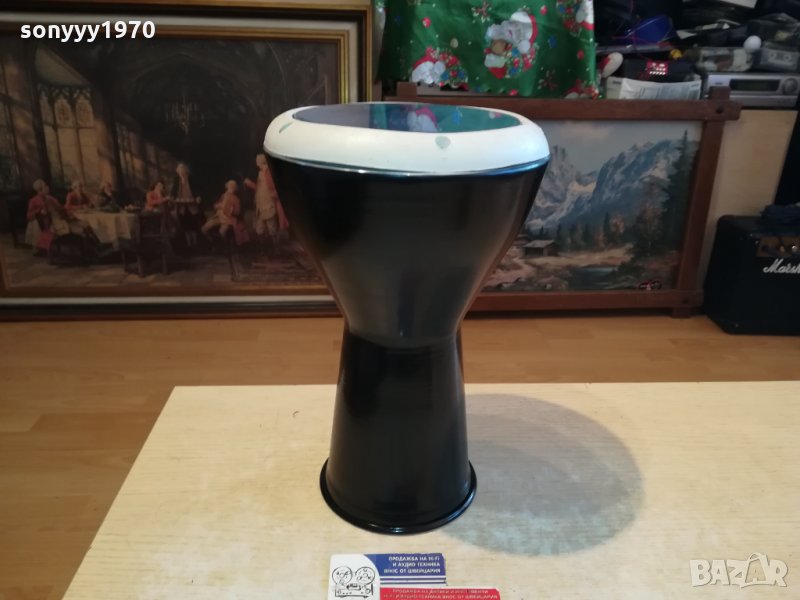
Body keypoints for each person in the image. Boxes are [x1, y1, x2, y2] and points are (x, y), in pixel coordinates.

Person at [27, 179, 99, 247]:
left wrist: (70, 213)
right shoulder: (34, 201)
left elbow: (61, 209)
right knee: (82, 228)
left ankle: (93, 247)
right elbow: (29, 216)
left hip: (60, 220)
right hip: (52, 225)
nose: (47, 187)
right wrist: (39, 211)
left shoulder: (50, 198)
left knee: (87, 225)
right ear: (40, 190)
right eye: (45, 186)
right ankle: (88, 248)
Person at [244, 153, 288, 251]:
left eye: (257, 161)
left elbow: (269, 189)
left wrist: (251, 184)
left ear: (261, 161)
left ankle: (275, 248)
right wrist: (251, 185)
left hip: (267, 203)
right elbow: (259, 189)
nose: (256, 163)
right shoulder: (261, 172)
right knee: (260, 227)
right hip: (260, 204)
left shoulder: (267, 172)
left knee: (271, 226)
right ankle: (263, 249)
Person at [169, 162, 202, 249]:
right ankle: (189, 244)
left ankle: (195, 244)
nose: (181, 173)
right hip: (182, 207)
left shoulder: (191, 179)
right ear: (178, 172)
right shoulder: (177, 180)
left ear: (186, 171)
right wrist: (172, 197)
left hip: (192, 205)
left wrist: (198, 197)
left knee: (194, 224)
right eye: (180, 171)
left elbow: (197, 190)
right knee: (185, 225)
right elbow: (173, 191)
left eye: (183, 171)